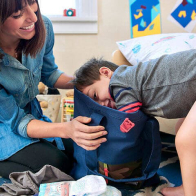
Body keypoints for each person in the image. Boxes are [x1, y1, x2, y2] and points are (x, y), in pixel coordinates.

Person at [0, 0, 107, 179]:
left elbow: (49, 74)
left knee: (82, 148)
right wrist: (66, 128)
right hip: (6, 126)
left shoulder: (42, 27)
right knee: (56, 166)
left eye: (32, 3)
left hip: (30, 117)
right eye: (17, 14)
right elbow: (17, 122)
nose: (33, 17)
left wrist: (89, 83)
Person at [72, 50, 196, 196]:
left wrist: (116, 129)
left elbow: (128, 117)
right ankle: (190, 185)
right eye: (96, 103)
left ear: (105, 72)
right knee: (181, 127)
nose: (102, 104)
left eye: (95, 95)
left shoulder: (120, 81)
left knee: (185, 140)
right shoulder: (133, 84)